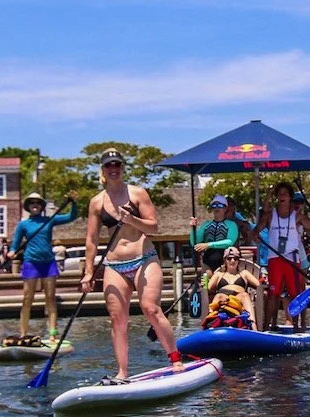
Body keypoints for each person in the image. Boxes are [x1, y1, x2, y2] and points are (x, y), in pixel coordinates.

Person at [81, 148, 184, 383]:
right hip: (115, 264)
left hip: (144, 258)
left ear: (122, 167)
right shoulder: (97, 202)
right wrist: (89, 272)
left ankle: (176, 359)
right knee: (118, 319)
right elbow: (92, 240)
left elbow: (154, 227)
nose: (113, 169)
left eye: (117, 165)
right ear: (103, 170)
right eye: (109, 166)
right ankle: (122, 372)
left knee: (150, 309)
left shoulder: (137, 194)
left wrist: (132, 220)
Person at [9, 191, 79, 341]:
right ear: (28, 206)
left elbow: (71, 217)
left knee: (50, 298)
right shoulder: (23, 224)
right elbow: (15, 243)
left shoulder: (50, 220)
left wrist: (73, 202)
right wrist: (12, 251)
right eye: (32, 202)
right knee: (27, 298)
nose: (35, 204)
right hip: (31, 263)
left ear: (42, 206)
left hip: (48, 263)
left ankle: (53, 334)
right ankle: (23, 333)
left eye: (38, 202)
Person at [253, 181, 309, 332]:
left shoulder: (297, 216)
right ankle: (267, 327)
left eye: (285, 193)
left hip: (293, 258)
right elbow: (256, 229)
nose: (282, 196)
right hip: (275, 259)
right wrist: (255, 234)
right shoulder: (270, 215)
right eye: (280, 193)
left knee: (296, 293)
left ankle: (299, 326)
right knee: (273, 294)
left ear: (290, 197)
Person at [204, 246, 260, 328]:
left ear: (238, 260)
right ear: (225, 260)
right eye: (229, 258)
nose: (232, 261)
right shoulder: (219, 274)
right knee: (218, 296)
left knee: (245, 295)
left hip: (239, 296)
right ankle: (210, 323)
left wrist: (264, 280)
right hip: (223, 296)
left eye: (235, 258)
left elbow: (258, 284)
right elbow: (208, 288)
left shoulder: (244, 273)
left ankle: (253, 326)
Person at [189, 194, 239, 272]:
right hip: (207, 261)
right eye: (214, 206)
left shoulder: (231, 225)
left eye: (219, 205)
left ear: (225, 208)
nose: (216, 208)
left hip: (225, 261)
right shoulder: (206, 224)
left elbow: (230, 242)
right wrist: (193, 228)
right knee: (206, 282)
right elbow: (194, 243)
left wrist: (208, 245)